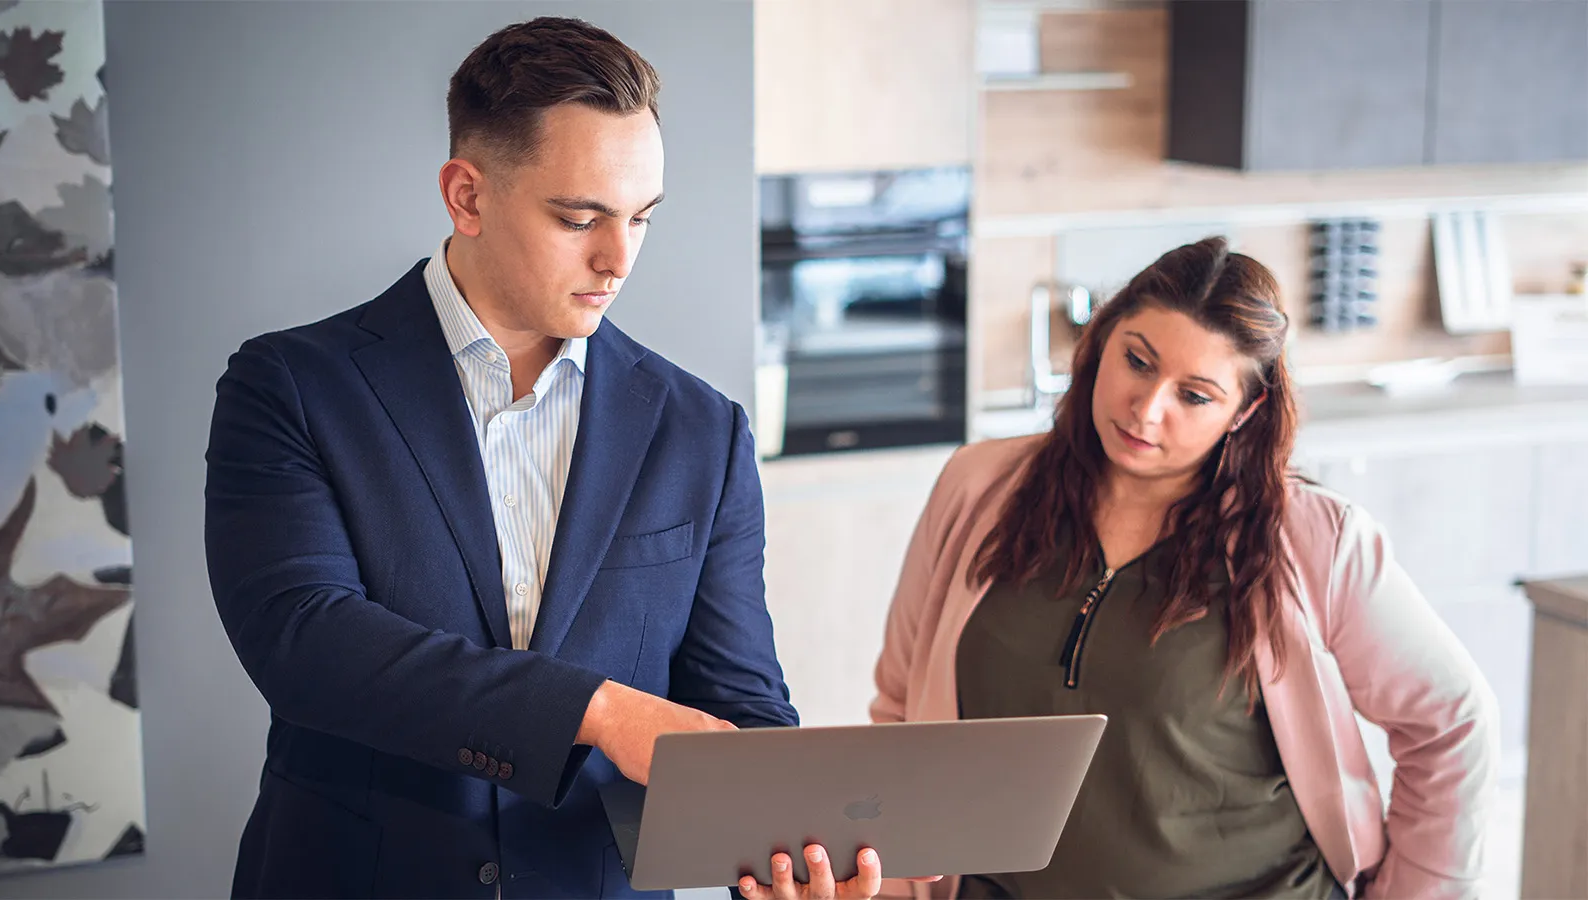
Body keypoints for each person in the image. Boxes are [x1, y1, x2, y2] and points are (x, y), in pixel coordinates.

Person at [205, 17, 892, 899]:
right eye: (580, 218)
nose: (618, 258)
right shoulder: (292, 386)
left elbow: (736, 698)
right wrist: (595, 711)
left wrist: (790, 841)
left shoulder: (700, 429)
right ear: (467, 196)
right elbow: (305, 641)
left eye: (641, 218)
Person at [869, 237, 1499, 900]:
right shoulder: (980, 486)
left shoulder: (1317, 541)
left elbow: (1452, 721)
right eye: (1137, 361)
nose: (1146, 408)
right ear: (1102, 341)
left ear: (1243, 413)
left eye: (1194, 396)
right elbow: (903, 705)